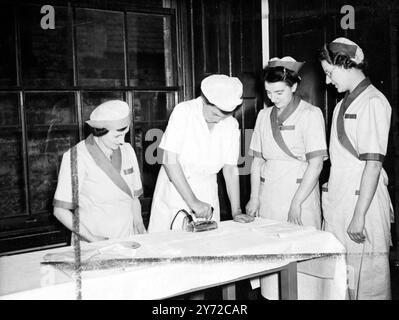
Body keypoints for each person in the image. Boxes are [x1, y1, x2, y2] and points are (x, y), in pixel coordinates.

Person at [245, 57, 328, 299]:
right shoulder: (263, 116)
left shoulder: (310, 114)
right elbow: (257, 161)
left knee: (302, 269)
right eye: (268, 92)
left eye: (279, 92)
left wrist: (296, 203)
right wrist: (254, 197)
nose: (273, 98)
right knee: (272, 266)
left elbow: (316, 163)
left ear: (293, 86)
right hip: (269, 197)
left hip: (299, 195)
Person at [319, 37, 393, 299]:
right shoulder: (341, 104)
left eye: (329, 73)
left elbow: (373, 164)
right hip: (341, 201)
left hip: (363, 203)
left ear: (345, 64)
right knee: (343, 279)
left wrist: (359, 216)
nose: (328, 81)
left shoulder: (373, 101)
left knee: (369, 282)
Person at [148, 74, 254, 232]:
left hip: (207, 193)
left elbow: (230, 169)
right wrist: (193, 202)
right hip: (176, 190)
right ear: (205, 100)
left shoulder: (231, 124)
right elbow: (169, 160)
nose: (219, 121)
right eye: (215, 115)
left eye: (224, 117)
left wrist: (236, 211)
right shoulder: (184, 112)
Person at [53, 100, 146, 242]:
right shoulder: (77, 157)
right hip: (93, 238)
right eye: (117, 136)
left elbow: (134, 197)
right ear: (100, 131)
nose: (122, 141)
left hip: (127, 235)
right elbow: (60, 211)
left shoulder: (127, 150)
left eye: (125, 134)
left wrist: (139, 224)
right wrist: (92, 238)